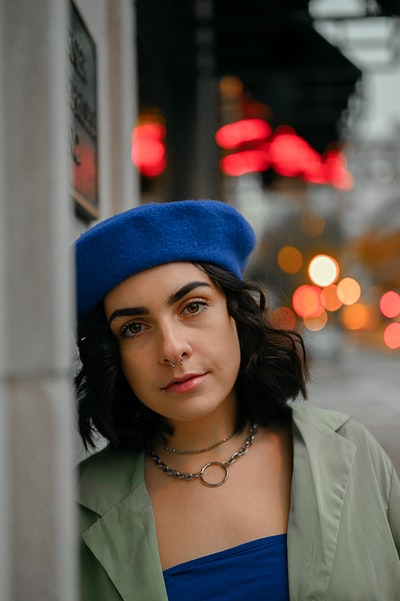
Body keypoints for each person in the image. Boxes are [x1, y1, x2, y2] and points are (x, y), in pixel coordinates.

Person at [75, 199, 400, 601]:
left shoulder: (350, 451)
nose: (173, 349)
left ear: (236, 316)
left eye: (192, 307)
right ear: (113, 355)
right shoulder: (78, 507)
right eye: (135, 327)